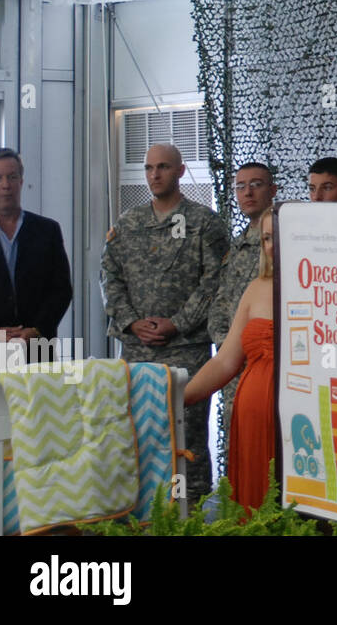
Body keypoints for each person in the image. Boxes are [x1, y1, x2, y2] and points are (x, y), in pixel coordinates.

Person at [101, 143, 228, 500]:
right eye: (149, 168)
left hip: (186, 350)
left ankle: (195, 508)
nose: (154, 175)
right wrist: (130, 323)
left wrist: (178, 323)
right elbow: (110, 277)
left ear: (181, 171)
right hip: (138, 349)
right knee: (140, 432)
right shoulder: (128, 224)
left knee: (185, 434)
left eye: (163, 167)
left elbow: (215, 281)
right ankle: (143, 507)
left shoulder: (205, 223)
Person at [185, 207, 275, 512]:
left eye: (278, 236)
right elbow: (225, 361)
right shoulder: (255, 289)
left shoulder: (323, 287)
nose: (272, 246)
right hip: (250, 416)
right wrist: (180, 396)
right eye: (265, 238)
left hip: (298, 419)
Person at [209, 162, 277, 468]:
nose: (247, 192)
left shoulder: (287, 238)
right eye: (240, 186)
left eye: (256, 184)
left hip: (270, 370)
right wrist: (230, 347)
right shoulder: (235, 245)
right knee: (241, 452)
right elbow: (221, 302)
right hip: (235, 369)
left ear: (273, 190)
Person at [0, 148, 73, 347]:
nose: (6, 185)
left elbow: (61, 289)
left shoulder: (47, 230)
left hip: (37, 345)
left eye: (12, 177)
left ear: (21, 182)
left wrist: (38, 329)